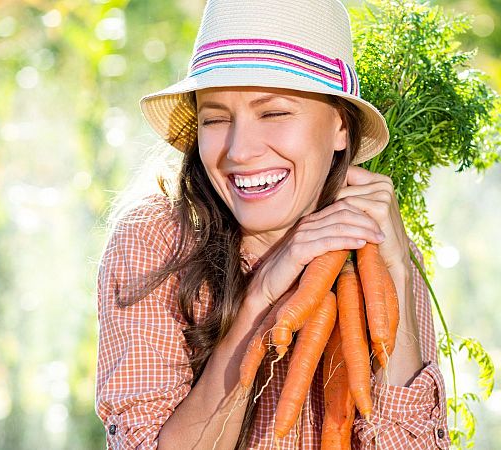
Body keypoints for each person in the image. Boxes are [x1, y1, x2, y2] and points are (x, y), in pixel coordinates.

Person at [95, 0, 450, 448]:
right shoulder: (157, 240)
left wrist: (396, 268)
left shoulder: (382, 254)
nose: (239, 151)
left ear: (340, 125)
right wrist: (259, 300)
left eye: (274, 113)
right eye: (216, 119)